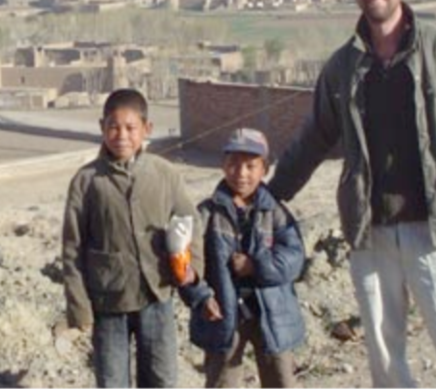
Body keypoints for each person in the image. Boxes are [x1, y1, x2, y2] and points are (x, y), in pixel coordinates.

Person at [268, 0, 436, 386]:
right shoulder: (342, 67)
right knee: (384, 359)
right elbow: (313, 140)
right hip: (370, 232)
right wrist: (269, 196)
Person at [62, 87, 203, 388]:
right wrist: (79, 306)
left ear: (146, 129)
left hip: (157, 294)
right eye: (113, 127)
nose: (122, 136)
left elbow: (190, 222)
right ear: (102, 127)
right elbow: (72, 248)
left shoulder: (165, 174)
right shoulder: (87, 181)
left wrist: (193, 269)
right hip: (108, 299)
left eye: (130, 127)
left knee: (162, 377)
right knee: (112, 379)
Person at [181, 128, 306, 389]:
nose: (241, 173)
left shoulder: (275, 212)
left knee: (280, 379)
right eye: (234, 164)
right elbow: (186, 262)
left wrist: (255, 266)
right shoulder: (207, 214)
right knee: (222, 381)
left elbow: (294, 258)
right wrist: (201, 297)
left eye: (250, 166)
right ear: (223, 165)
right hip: (224, 314)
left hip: (271, 313)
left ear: (264, 169)